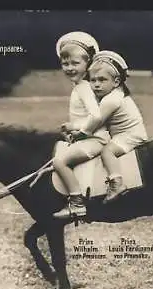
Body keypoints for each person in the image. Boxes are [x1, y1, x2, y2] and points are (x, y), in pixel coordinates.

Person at [51, 32, 124, 220]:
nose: (69, 68)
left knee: (59, 161)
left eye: (75, 63)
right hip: (89, 137)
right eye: (65, 64)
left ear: (88, 64)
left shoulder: (83, 87)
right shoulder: (80, 86)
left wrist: (78, 129)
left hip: (95, 139)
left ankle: (76, 202)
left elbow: (96, 115)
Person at [84, 50, 149, 204]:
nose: (97, 84)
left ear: (116, 81)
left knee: (107, 152)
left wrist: (78, 133)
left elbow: (93, 124)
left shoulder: (111, 100)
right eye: (93, 80)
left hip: (130, 135)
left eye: (102, 80)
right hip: (125, 133)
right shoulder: (114, 94)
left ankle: (117, 183)